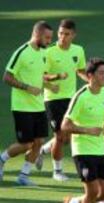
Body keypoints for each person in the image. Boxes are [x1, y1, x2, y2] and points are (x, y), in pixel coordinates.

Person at [0, 21, 53, 186]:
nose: (49, 41)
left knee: (39, 142)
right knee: (26, 144)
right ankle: (1, 159)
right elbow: (7, 77)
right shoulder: (21, 52)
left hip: (38, 106)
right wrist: (26, 87)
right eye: (47, 37)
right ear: (37, 35)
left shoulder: (44, 53)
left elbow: (39, 75)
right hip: (22, 106)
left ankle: (23, 175)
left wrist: (50, 84)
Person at [35, 19, 88, 181]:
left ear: (73, 35)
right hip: (53, 99)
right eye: (60, 33)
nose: (62, 37)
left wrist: (90, 80)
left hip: (71, 99)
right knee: (59, 136)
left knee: (68, 135)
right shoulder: (49, 52)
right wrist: (56, 77)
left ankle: (42, 150)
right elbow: (41, 75)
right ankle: (57, 171)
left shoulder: (78, 50)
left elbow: (80, 70)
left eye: (66, 34)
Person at [62, 58, 104, 203]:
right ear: (90, 75)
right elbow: (65, 125)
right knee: (93, 192)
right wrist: (88, 130)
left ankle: (74, 202)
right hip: (83, 151)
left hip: (100, 150)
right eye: (101, 73)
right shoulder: (81, 96)